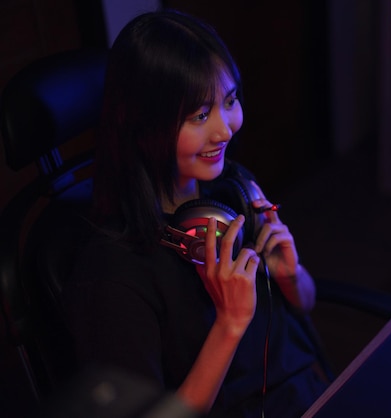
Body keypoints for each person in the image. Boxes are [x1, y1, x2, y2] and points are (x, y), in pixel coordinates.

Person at [62, 9, 329, 417]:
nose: (225, 129)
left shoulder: (233, 188)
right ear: (145, 125)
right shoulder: (111, 271)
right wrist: (230, 323)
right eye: (200, 115)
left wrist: (289, 275)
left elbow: (304, 306)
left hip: (314, 392)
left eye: (230, 100)